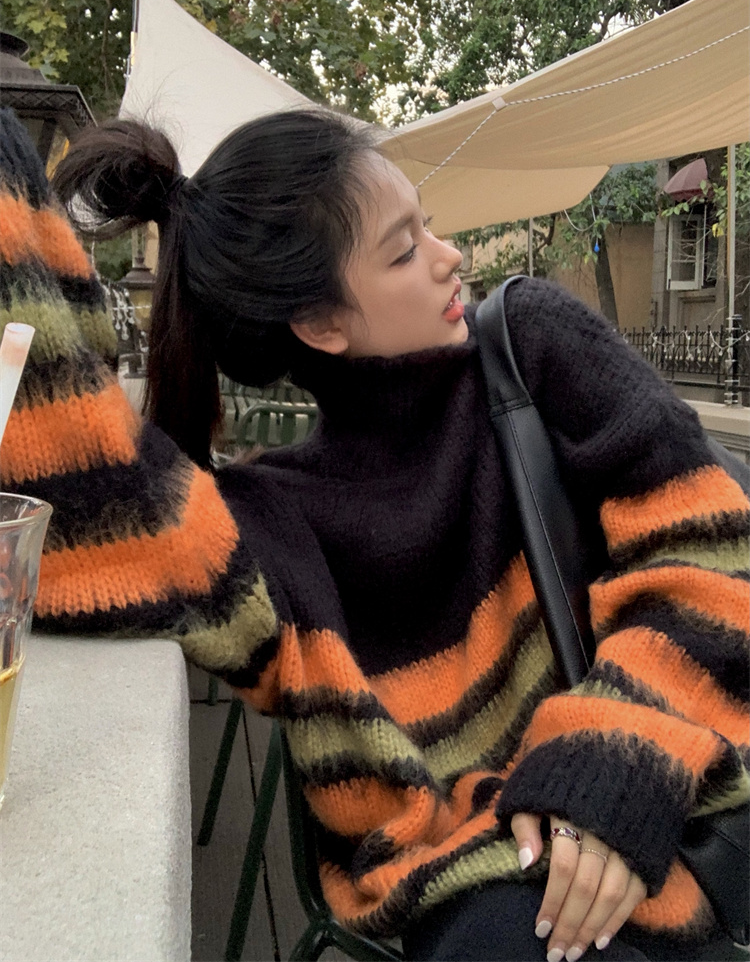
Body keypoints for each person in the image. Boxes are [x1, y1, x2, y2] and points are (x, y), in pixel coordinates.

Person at [0, 105, 747, 962]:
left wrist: (613, 757)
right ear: (321, 324)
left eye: (427, 225)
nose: (449, 255)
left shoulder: (533, 345)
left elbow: (712, 538)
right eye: (403, 250)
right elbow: (65, 496)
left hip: (697, 778)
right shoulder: (268, 522)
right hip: (491, 876)